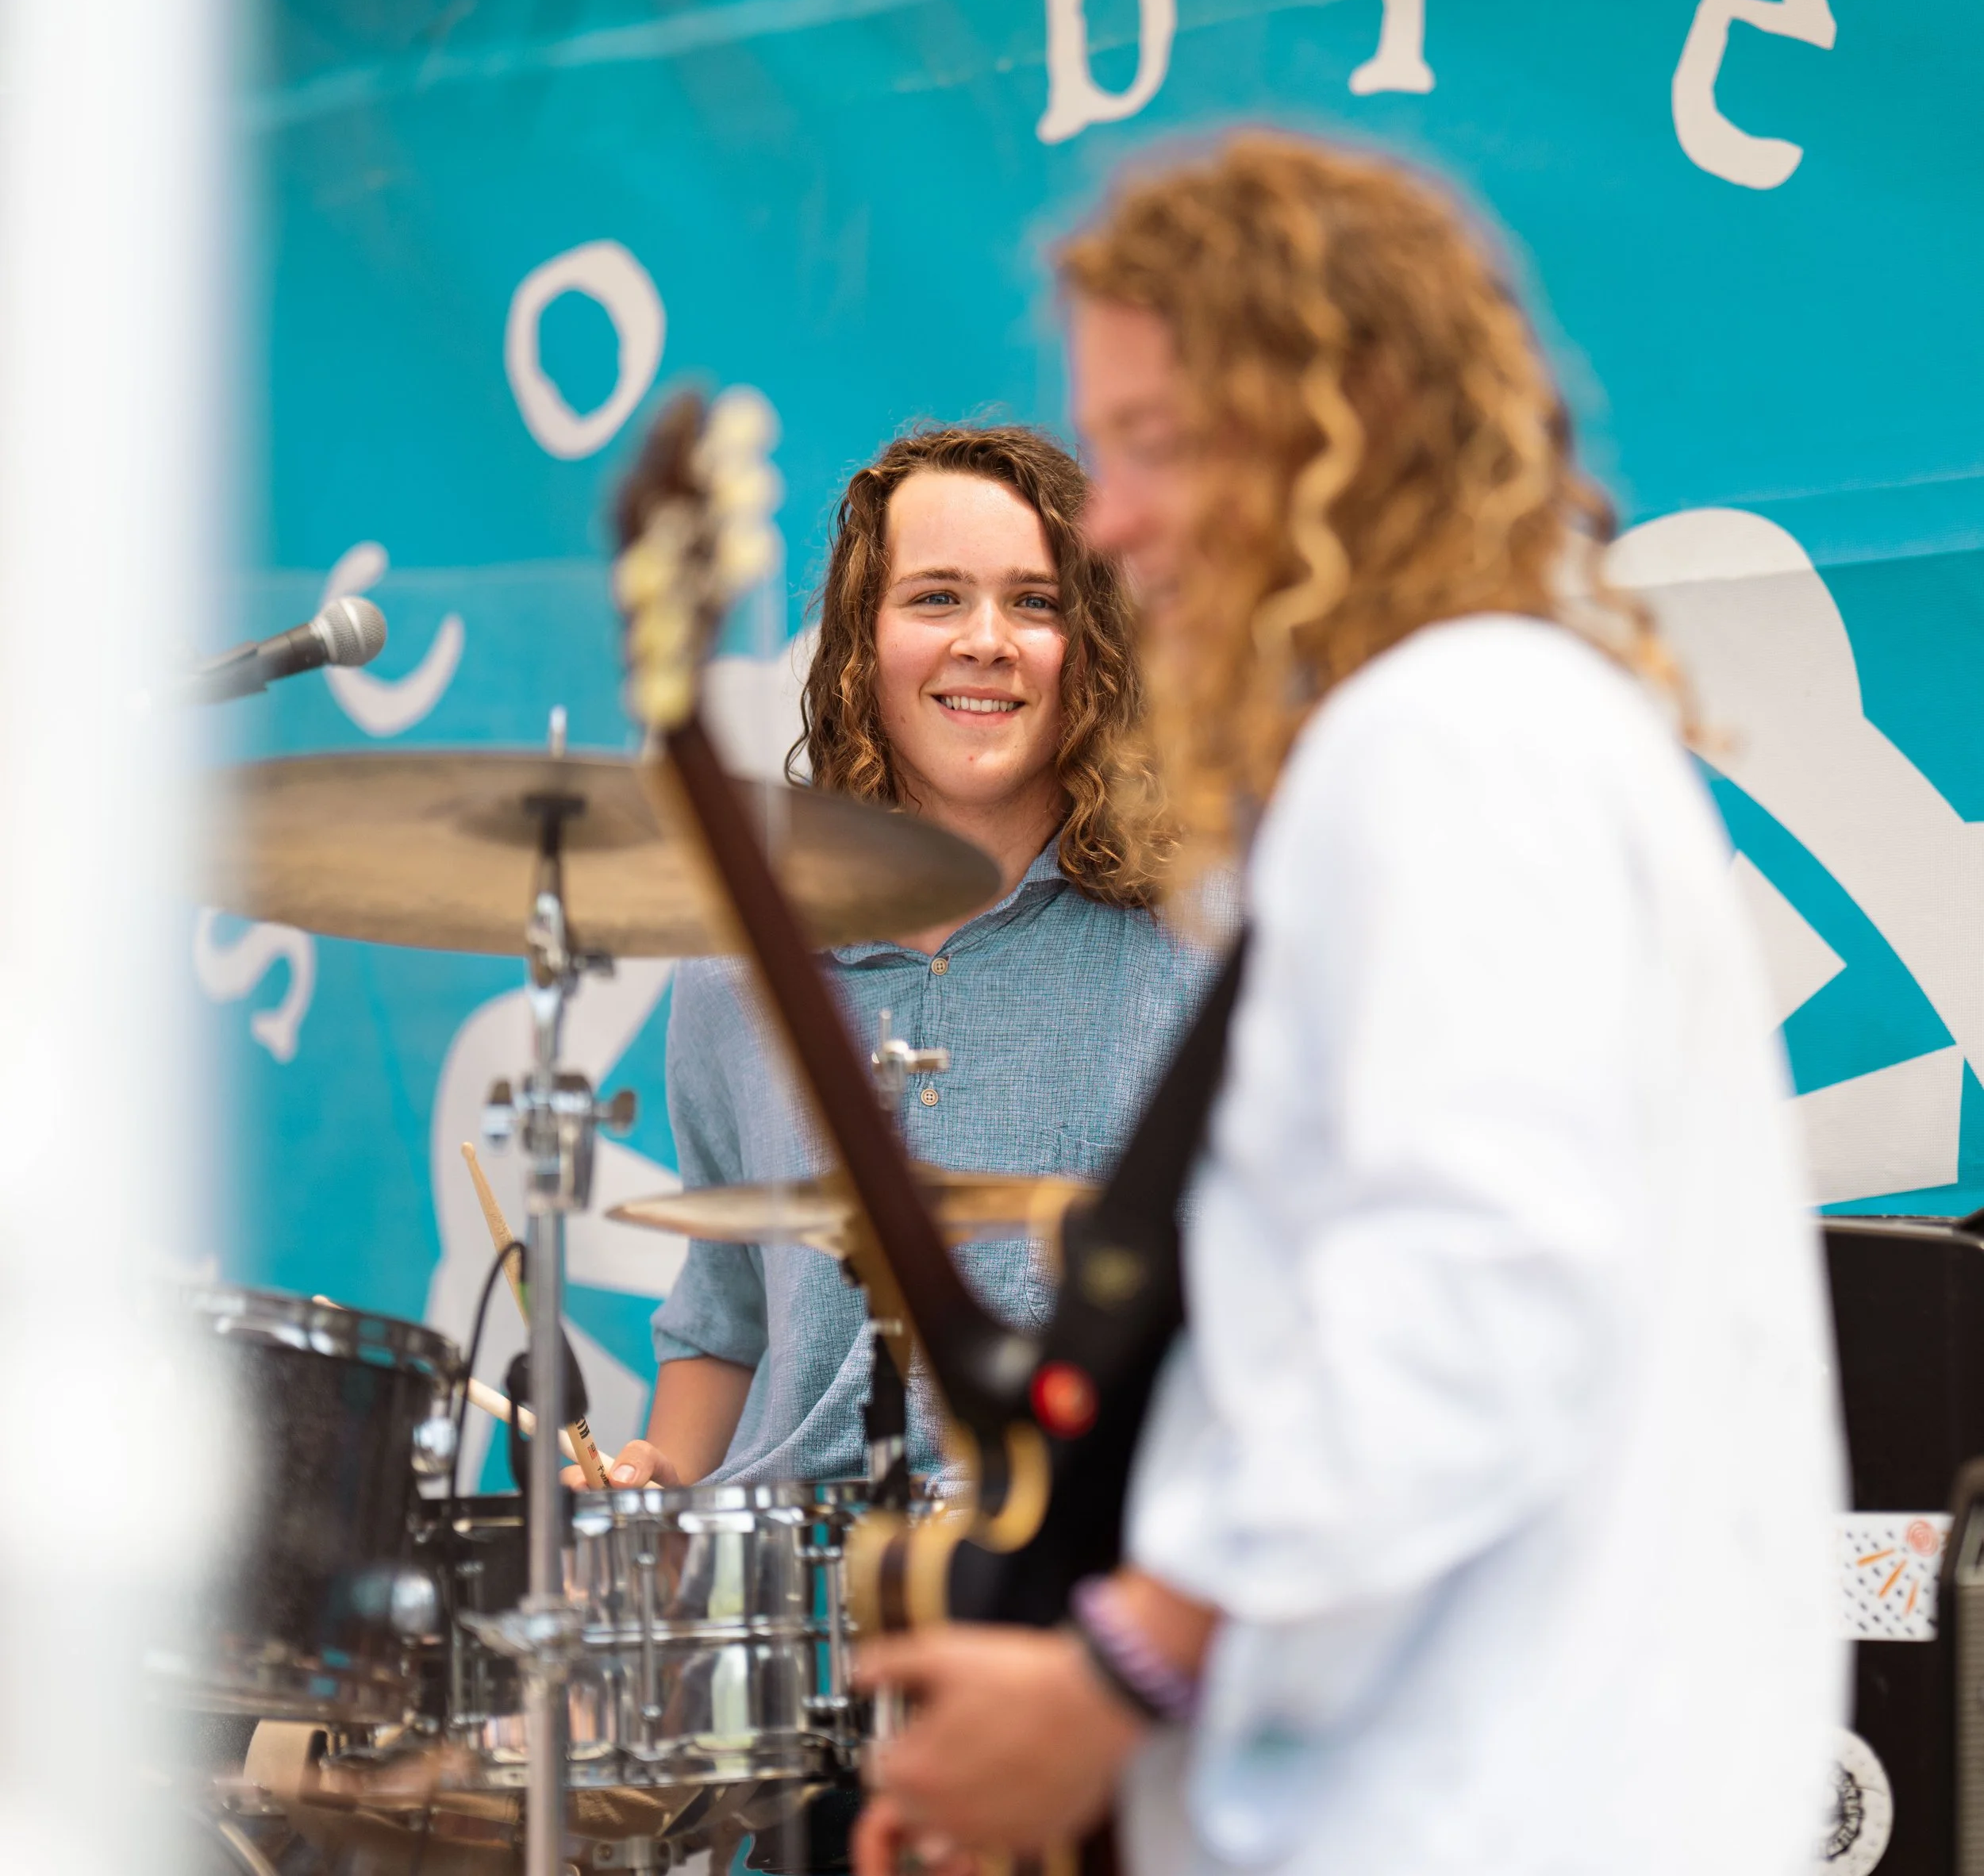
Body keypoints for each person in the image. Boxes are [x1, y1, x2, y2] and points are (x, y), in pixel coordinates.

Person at [851, 137, 1845, 1876]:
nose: (1117, 522)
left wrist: (1120, 1664)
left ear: (1345, 421)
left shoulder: (1444, 741)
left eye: (1155, 446)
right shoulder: (1501, 732)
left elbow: (1462, 1285)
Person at [585, 422, 1209, 1489]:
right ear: (862, 646)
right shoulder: (739, 968)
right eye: (935, 597)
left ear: (1091, 644)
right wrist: (649, 1507)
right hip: (802, 1604)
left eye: (1035, 600)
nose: (986, 639)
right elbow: (724, 1314)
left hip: (1071, 1567)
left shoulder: (1196, 945)